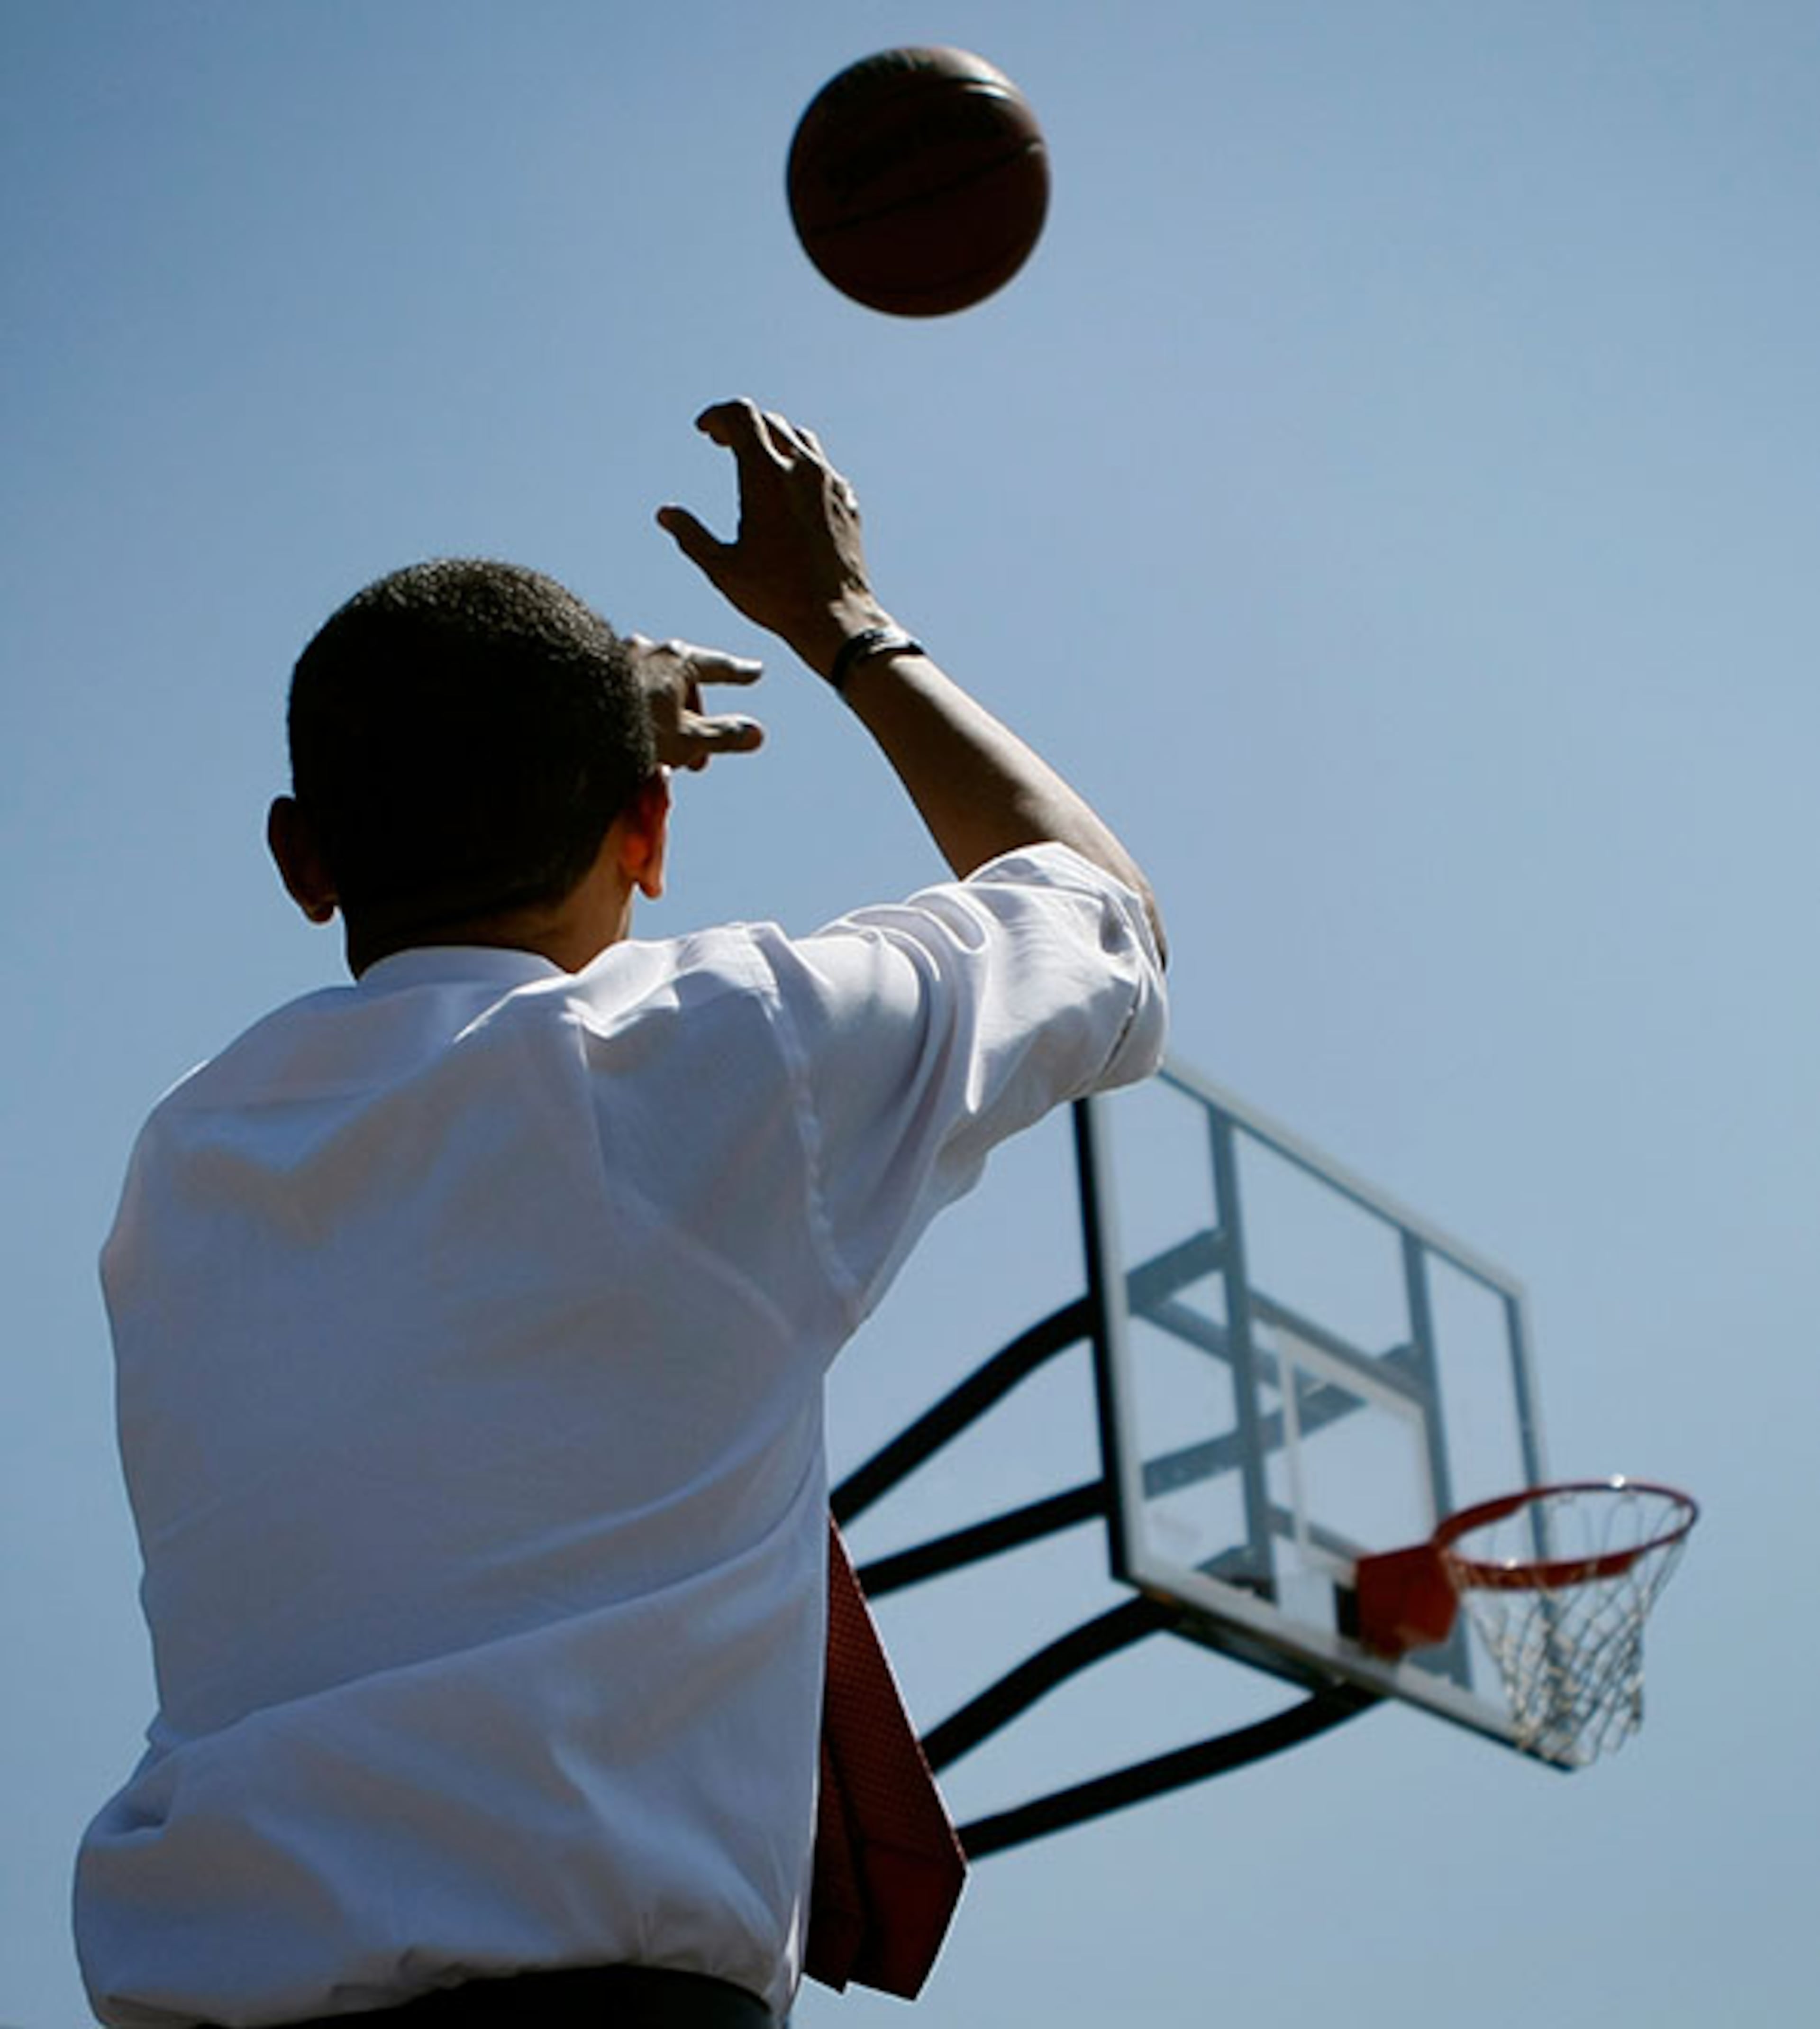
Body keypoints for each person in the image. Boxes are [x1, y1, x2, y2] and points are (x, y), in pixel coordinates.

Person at [74, 400, 1167, 2029]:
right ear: (649, 832)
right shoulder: (724, 1059)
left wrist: (562, 721)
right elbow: (1104, 921)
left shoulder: (187, 1162)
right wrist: (843, 628)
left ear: (304, 860)